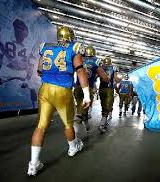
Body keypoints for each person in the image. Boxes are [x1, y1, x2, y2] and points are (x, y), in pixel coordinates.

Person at [27, 26, 91, 176]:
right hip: (62, 90)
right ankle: (73, 148)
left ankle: (33, 165)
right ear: (71, 36)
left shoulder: (45, 47)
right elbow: (81, 71)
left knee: (41, 126)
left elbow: (39, 70)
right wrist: (87, 95)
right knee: (68, 124)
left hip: (45, 88)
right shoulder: (74, 47)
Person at [74, 45, 109, 133]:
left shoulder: (79, 59)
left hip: (78, 87)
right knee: (84, 109)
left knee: (79, 107)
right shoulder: (96, 61)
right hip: (88, 87)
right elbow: (104, 78)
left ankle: (85, 124)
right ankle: (79, 131)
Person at [98, 57, 120, 133]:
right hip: (109, 89)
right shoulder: (114, 68)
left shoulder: (100, 67)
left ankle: (104, 121)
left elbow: (94, 77)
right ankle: (101, 125)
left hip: (101, 89)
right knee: (108, 107)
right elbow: (117, 80)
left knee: (103, 106)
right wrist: (120, 79)